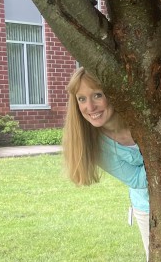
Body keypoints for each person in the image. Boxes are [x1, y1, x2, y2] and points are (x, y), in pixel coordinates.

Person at [62, 67, 150, 260]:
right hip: (150, 208)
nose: (90, 107)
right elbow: (136, 179)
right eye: (82, 99)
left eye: (97, 95)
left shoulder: (141, 115)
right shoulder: (93, 143)